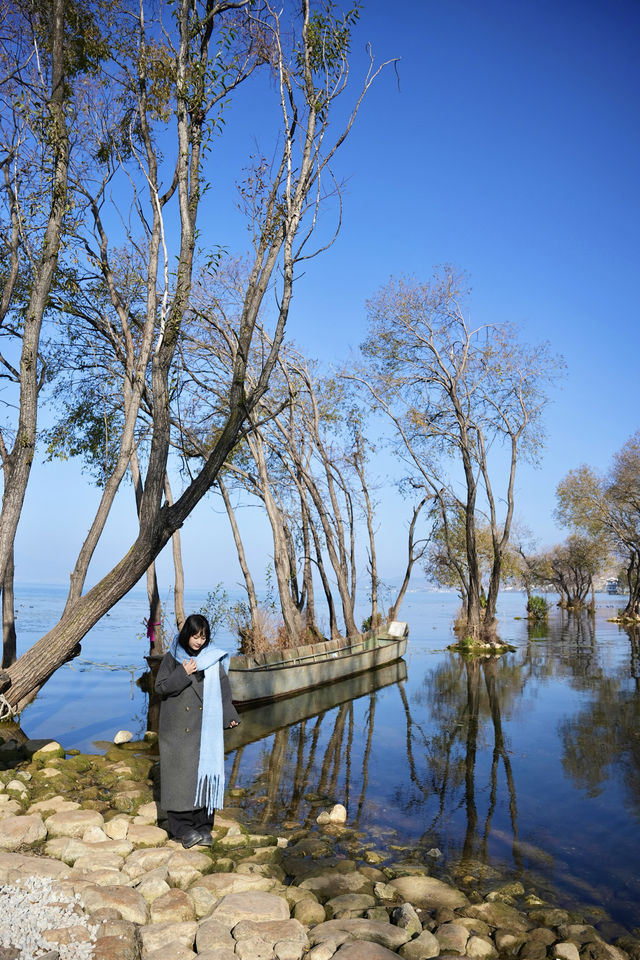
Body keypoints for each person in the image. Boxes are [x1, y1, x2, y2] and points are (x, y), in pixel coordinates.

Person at [155, 613, 239, 848]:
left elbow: (223, 692)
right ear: (186, 635)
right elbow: (160, 687)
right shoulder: (173, 657)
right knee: (179, 779)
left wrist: (229, 716)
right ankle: (181, 829)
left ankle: (203, 827)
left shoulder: (213, 658)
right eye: (195, 636)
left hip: (205, 728)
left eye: (203, 637)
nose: (199, 642)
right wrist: (183, 673)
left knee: (205, 774)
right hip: (176, 730)